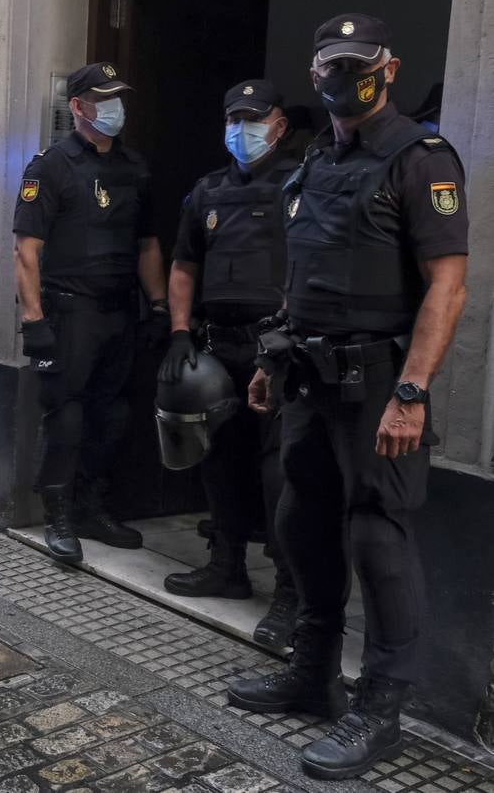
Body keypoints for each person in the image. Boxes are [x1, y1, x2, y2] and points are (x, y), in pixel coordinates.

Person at [227, 14, 469, 780]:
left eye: (358, 63)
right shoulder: (311, 163)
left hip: (377, 387)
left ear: (388, 69)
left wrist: (411, 391)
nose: (343, 76)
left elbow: (447, 286)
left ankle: (381, 708)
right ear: (315, 71)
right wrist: (273, 354)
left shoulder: (417, 158)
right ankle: (313, 673)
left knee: (375, 537)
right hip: (306, 376)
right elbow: (304, 279)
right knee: (301, 522)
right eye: (331, 63)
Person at [158, 79, 297, 646]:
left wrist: (286, 338)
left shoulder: (300, 183)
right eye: (234, 119)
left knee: (280, 473)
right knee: (220, 458)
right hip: (219, 347)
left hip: (279, 349)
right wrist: (179, 332)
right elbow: (184, 266)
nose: (243, 129)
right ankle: (228, 566)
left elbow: (310, 266)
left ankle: (291, 592)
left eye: (255, 118)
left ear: (280, 124)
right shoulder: (208, 191)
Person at [13, 61, 168, 563]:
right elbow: (25, 251)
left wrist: (160, 305)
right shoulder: (51, 166)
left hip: (120, 310)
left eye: (118, 97)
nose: (114, 107)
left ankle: (90, 504)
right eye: (103, 99)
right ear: (78, 107)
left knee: (114, 414)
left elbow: (147, 244)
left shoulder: (134, 167)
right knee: (66, 416)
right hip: (70, 312)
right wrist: (33, 322)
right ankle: (57, 514)